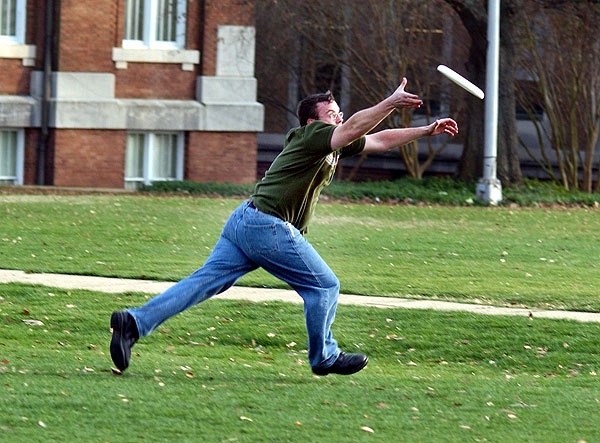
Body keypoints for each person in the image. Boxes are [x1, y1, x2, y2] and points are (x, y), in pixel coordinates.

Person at [110, 78, 458, 376]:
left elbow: (378, 140)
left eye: (338, 112)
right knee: (324, 287)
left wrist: (426, 130)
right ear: (312, 123)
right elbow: (353, 127)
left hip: (245, 221)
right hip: (268, 226)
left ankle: (133, 323)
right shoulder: (310, 138)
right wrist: (391, 102)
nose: (338, 117)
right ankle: (324, 356)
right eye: (331, 114)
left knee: (201, 284)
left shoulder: (331, 144)